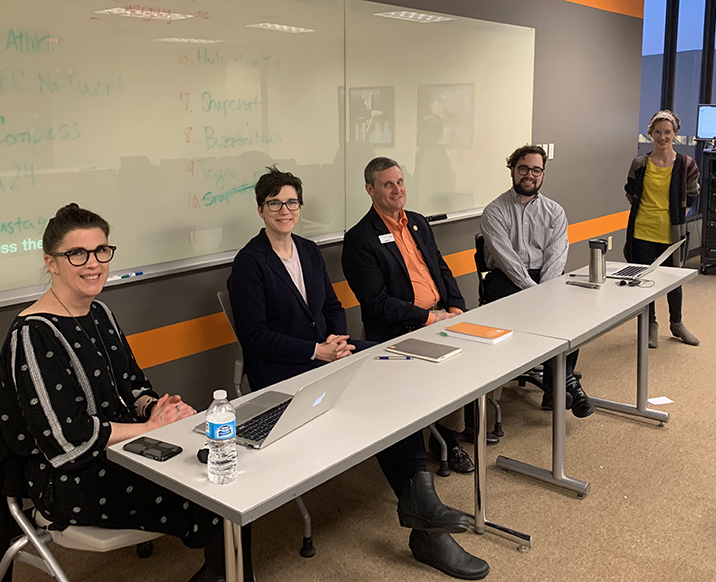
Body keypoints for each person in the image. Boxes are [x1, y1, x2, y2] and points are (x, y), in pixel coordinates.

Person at [0, 204, 249, 582]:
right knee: (212, 494)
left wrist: (158, 408)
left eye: (101, 250)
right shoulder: (33, 335)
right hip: (70, 476)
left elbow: (132, 386)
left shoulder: (100, 313)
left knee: (227, 472)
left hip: (126, 449)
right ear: (51, 262)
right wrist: (149, 429)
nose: (93, 263)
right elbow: (67, 439)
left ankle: (228, 574)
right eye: (77, 254)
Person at [342, 157, 489, 580]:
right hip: (400, 332)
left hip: (444, 318)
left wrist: (456, 306)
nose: (397, 190)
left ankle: (451, 436)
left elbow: (440, 269)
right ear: (370, 190)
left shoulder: (419, 222)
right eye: (387, 185)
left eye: (401, 182)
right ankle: (440, 453)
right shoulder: (359, 240)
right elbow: (375, 304)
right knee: (413, 391)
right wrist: (429, 319)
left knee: (483, 363)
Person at [480, 145, 595, 419]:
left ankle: (557, 388)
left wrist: (547, 291)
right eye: (523, 168)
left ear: (543, 174)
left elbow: (556, 257)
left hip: (546, 279)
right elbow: (507, 261)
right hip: (506, 280)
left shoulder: (555, 212)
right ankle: (565, 384)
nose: (529, 175)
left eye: (536, 170)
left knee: (572, 316)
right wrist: (538, 294)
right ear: (512, 170)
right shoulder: (494, 211)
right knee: (541, 308)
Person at [228, 166, 362, 390]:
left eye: (292, 202)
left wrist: (336, 342)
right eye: (274, 203)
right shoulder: (249, 262)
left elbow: (332, 306)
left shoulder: (309, 250)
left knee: (384, 361)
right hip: (282, 367)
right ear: (261, 209)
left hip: (326, 351)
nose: (284, 210)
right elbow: (256, 337)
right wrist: (316, 351)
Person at [625, 110, 700, 348]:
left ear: (675, 134)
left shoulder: (687, 164)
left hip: (671, 232)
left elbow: (693, 193)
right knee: (645, 281)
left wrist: (680, 215)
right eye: (657, 132)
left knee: (673, 280)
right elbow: (630, 191)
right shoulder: (640, 163)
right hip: (642, 231)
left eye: (667, 132)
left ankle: (676, 324)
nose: (662, 136)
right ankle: (650, 325)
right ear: (651, 134)